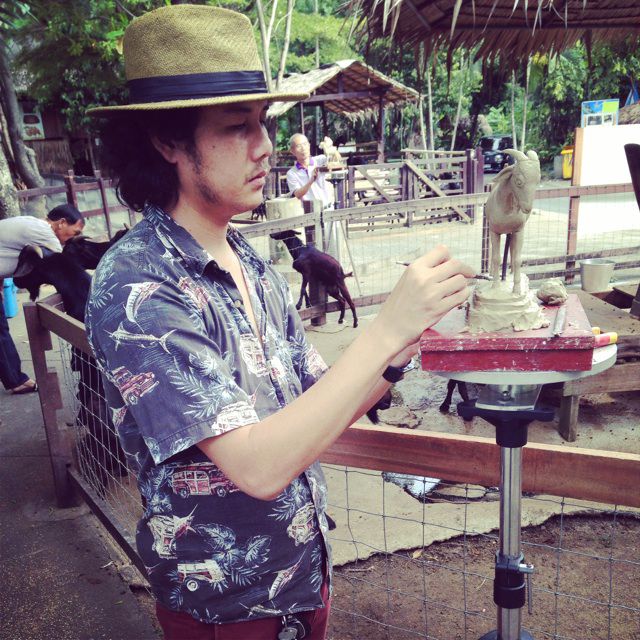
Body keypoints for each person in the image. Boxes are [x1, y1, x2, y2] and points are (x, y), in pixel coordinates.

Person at [84, 5, 474, 639]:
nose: (265, 145)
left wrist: (401, 344)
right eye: (237, 126)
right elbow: (258, 468)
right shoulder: (137, 284)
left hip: (303, 575)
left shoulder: (250, 261)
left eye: (263, 121)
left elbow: (320, 404)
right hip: (225, 606)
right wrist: (381, 328)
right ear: (166, 142)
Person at [0, 204, 84, 394]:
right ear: (61, 223)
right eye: (75, 232)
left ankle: (15, 379)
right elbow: (64, 265)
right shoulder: (43, 231)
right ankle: (16, 381)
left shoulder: (31, 224)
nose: (73, 238)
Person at [286, 134, 334, 209]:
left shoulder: (321, 160)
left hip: (328, 208)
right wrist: (311, 181)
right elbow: (297, 194)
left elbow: (334, 160)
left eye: (305, 144)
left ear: (309, 145)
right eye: (299, 146)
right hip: (310, 213)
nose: (303, 148)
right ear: (292, 151)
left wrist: (329, 146)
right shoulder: (291, 173)